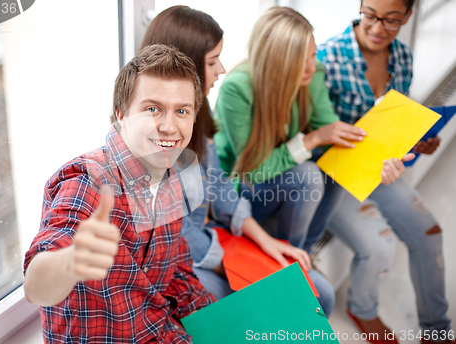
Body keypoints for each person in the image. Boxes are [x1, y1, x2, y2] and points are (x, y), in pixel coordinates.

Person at [214, 6, 411, 319]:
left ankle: (301, 255)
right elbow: (254, 170)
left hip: (280, 179)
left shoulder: (312, 75)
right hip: (242, 192)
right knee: (307, 174)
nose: (312, 65)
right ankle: (291, 266)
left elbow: (335, 133)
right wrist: (311, 139)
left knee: (332, 167)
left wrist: (385, 156)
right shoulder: (238, 89)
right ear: (277, 61)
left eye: (313, 54)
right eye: (301, 59)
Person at [23, 44, 215, 343]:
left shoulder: (171, 177)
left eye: (181, 111)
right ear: (121, 114)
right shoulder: (87, 182)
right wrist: (71, 260)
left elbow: (176, 273)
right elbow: (35, 286)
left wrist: (223, 322)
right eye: (152, 109)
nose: (168, 126)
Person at [138, 5, 318, 310]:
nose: (221, 69)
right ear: (185, 67)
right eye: (212, 61)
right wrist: (232, 266)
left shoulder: (198, 114)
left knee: (314, 294)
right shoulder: (149, 139)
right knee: (273, 303)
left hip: (208, 242)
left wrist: (264, 241)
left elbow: (219, 187)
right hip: (175, 264)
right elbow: (175, 235)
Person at [317, 1, 451, 343]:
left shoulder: (402, 59)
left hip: (378, 167)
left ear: (407, 17)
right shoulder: (325, 58)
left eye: (392, 21)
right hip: (334, 175)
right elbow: (308, 134)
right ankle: (361, 310)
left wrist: (414, 144)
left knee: (430, 234)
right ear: (360, 7)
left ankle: (437, 330)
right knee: (379, 244)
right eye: (371, 16)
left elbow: (393, 122)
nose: (378, 29)